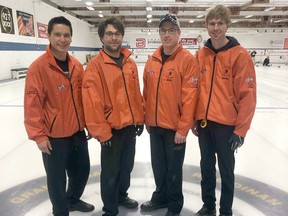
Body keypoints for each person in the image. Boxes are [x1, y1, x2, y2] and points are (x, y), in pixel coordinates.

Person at [24, 16, 94, 216]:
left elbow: (83, 99)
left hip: (78, 132)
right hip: (55, 136)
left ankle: (72, 200)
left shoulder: (76, 66)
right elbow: (32, 104)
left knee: (82, 172)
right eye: (58, 35)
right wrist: (39, 135)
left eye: (66, 35)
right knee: (56, 180)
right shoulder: (38, 68)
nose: (62, 39)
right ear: (49, 36)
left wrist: (88, 124)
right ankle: (61, 210)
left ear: (71, 38)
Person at [192, 5, 257, 216]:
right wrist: (195, 118)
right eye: (211, 23)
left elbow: (248, 95)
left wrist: (241, 130)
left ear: (227, 25)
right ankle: (208, 205)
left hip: (227, 126)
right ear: (206, 26)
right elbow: (195, 90)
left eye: (220, 23)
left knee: (227, 173)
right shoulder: (201, 54)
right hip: (204, 125)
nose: (215, 27)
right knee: (206, 169)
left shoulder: (240, 55)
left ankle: (226, 210)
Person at [82, 17, 144, 216]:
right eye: (109, 33)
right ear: (102, 37)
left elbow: (136, 93)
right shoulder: (95, 67)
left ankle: (121, 195)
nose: (114, 37)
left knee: (126, 167)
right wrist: (102, 132)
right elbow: (92, 103)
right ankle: (110, 207)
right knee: (110, 172)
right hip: (110, 130)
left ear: (122, 36)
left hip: (129, 127)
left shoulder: (130, 63)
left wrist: (139, 118)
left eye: (117, 33)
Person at [140, 14, 199, 216]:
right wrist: (146, 118)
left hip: (175, 129)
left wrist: (183, 129)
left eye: (171, 30)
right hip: (154, 126)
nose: (167, 34)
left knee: (174, 171)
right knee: (159, 167)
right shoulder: (152, 60)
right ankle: (160, 197)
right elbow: (146, 93)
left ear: (179, 33)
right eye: (163, 31)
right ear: (159, 34)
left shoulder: (187, 61)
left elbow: (190, 99)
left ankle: (174, 205)